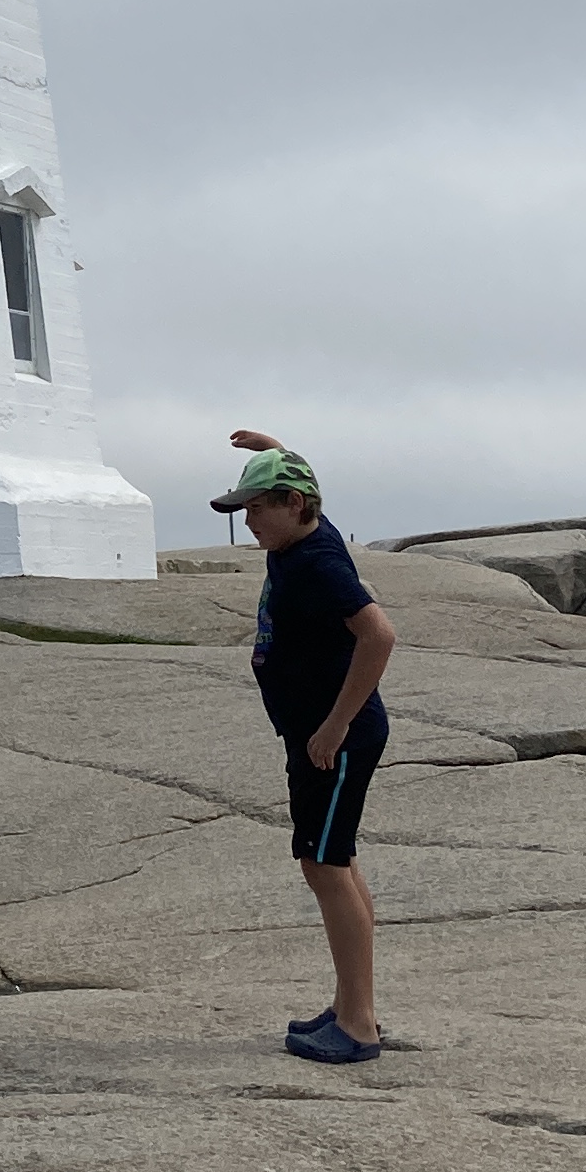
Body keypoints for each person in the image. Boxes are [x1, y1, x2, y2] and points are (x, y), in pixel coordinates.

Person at [216, 433, 397, 1063]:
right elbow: (302, 487)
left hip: (334, 738)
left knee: (323, 866)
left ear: (293, 504)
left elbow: (379, 635)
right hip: (319, 734)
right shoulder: (304, 536)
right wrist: (272, 448)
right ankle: (352, 1005)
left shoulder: (318, 562)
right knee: (335, 861)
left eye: (256, 507)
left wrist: (334, 726)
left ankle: (358, 1026)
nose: (248, 521)